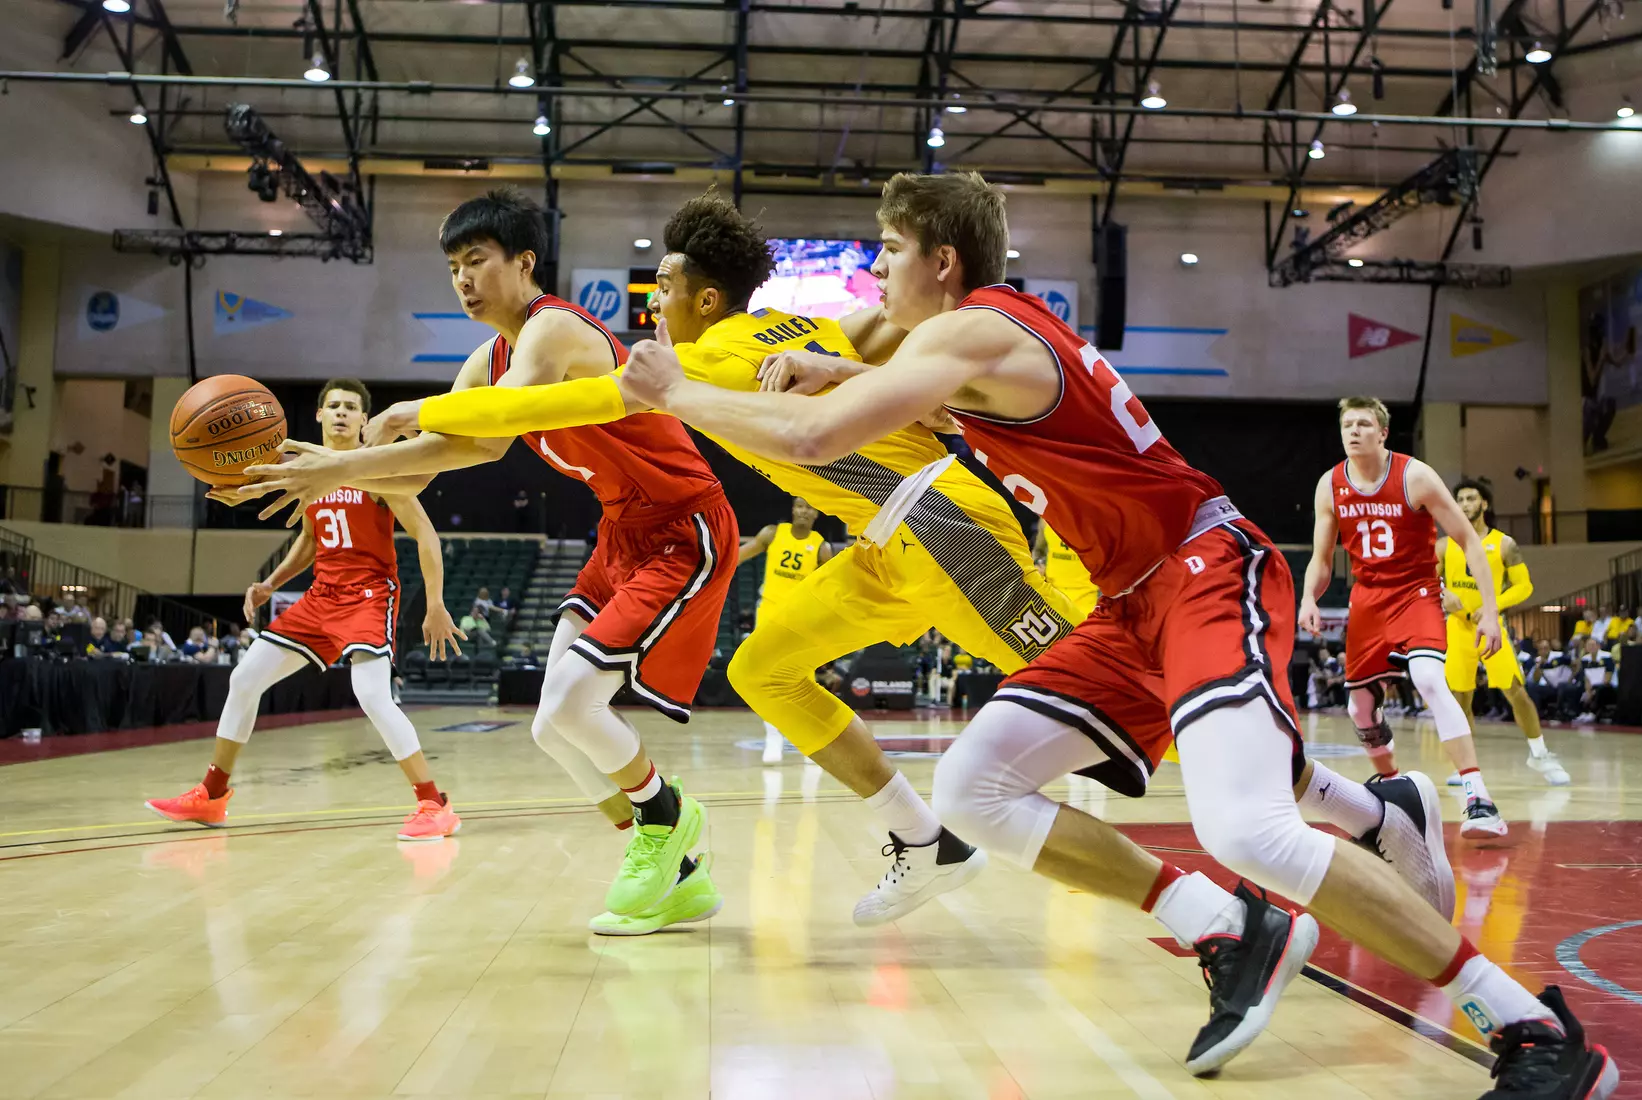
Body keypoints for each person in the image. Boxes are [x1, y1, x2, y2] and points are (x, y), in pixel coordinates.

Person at [585, 171, 1613, 1094]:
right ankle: (1229, 918)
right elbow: (929, 409)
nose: (875, 268)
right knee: (972, 789)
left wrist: (679, 390)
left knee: (1244, 825)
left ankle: (1529, 1024)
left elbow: (814, 442)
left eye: (890, 248)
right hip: (1132, 603)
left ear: (941, 260)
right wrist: (837, 375)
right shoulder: (974, 338)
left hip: (1205, 567)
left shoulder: (973, 329)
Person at [389, 190, 1121, 931]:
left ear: (705, 299)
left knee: (1104, 691)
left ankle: (1226, 775)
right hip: (882, 547)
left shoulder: (698, 364)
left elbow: (531, 410)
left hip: (943, 524)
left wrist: (422, 410)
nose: (654, 309)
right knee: (761, 669)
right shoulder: (803, 325)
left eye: (665, 290)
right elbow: (889, 330)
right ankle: (927, 840)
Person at [236, 191, 734, 936]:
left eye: (477, 261)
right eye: (453, 268)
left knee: (572, 703)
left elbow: (499, 413)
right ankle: (679, 875)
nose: (463, 280)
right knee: (549, 727)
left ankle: (667, 815)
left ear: (523, 262)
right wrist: (340, 471)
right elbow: (445, 461)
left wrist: (415, 413)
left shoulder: (554, 329)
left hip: (681, 524)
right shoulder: (488, 356)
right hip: (620, 533)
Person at [144, 380, 468, 842]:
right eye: (332, 405)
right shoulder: (310, 472)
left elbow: (427, 534)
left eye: (351, 407)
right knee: (244, 678)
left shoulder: (376, 469)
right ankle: (212, 795)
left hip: (368, 595)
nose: (341, 412)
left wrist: (435, 604)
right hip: (321, 597)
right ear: (317, 416)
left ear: (364, 420)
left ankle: (433, 804)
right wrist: (271, 583)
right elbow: (312, 539)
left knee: (373, 697)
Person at [1299, 397, 1509, 840]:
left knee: (1430, 679)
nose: (1353, 431)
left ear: (1383, 433)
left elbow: (1470, 542)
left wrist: (1490, 612)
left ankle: (1479, 797)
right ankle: (1393, 790)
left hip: (1416, 594)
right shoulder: (1329, 484)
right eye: (1347, 425)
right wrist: (1308, 598)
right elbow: (1322, 559)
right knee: (1359, 708)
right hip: (1368, 601)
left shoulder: (1414, 476)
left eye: (1363, 424)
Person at [1441, 479, 1569, 785]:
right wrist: (1442, 593)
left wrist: (1491, 605)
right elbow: (1426, 581)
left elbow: (1525, 586)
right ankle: (1467, 767)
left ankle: (1539, 755)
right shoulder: (1445, 545)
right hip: (1458, 628)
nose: (1464, 504)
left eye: (1471, 498)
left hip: (1490, 628)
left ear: (1484, 504)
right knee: (1460, 700)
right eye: (1460, 499)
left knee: (1516, 690)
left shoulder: (1504, 544)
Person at [736, 496, 836, 762]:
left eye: (809, 507)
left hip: (801, 617)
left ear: (816, 513)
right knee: (764, 674)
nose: (804, 511)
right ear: (793, 509)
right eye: (800, 505)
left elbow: (832, 586)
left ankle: (810, 741)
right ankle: (773, 736)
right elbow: (738, 556)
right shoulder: (772, 534)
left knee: (805, 677)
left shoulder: (821, 547)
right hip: (769, 611)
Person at [1033, 518, 1099, 616]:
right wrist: (1038, 565)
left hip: (1089, 599)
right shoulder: (1046, 519)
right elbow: (1039, 551)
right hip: (1053, 598)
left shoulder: (1097, 521)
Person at [1575, 637, 1615, 723]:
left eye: (1593, 645)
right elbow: (1586, 678)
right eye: (1589, 645)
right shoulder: (1585, 659)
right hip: (1592, 686)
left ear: (1598, 646)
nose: (1591, 647)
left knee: (1600, 689)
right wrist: (1588, 690)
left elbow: (1608, 678)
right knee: (1578, 688)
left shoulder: (1607, 656)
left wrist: (1593, 691)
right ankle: (1580, 712)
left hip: (1607, 686)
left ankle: (1593, 713)